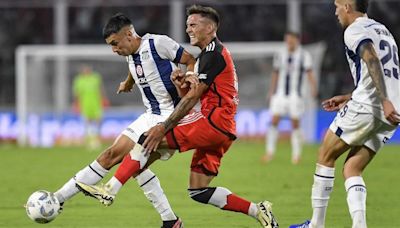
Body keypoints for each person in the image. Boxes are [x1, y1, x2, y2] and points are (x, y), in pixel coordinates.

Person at [77, 5, 279, 228]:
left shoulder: (213, 53)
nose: (188, 30)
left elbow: (192, 99)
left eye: (193, 25)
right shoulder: (208, 55)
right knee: (198, 190)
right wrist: (180, 82)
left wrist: (163, 126)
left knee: (147, 139)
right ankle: (258, 210)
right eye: (187, 25)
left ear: (210, 27)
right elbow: (194, 92)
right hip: (224, 129)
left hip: (211, 122)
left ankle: (109, 190)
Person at [54, 13, 196, 228]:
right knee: (117, 157)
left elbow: (189, 59)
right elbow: (137, 65)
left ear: (129, 35)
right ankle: (171, 221)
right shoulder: (130, 53)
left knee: (124, 159)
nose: (114, 50)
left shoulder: (158, 43)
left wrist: (189, 77)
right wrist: (129, 81)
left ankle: (59, 199)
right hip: (150, 114)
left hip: (171, 117)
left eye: (115, 44)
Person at [290, 0, 400, 227]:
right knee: (352, 168)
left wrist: (382, 100)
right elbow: (386, 73)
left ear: (348, 7)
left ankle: (316, 225)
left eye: (337, 6)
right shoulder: (382, 30)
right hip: (392, 111)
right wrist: (351, 96)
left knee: (325, 155)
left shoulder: (354, 29)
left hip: (373, 105)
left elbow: (371, 58)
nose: (336, 12)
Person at [262, 31, 317, 165]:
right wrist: (271, 91)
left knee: (295, 124)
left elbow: (310, 73)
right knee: (274, 121)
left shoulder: (304, 55)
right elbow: (275, 73)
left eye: (291, 40)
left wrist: (314, 89)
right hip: (280, 94)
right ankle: (269, 152)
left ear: (297, 40)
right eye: (287, 40)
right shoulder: (280, 54)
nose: (289, 42)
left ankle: (296, 155)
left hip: (295, 96)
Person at [72, 64, 108, 149]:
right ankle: (89, 140)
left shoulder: (95, 77)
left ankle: (97, 139)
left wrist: (104, 99)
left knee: (99, 121)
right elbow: (77, 93)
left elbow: (100, 89)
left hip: (96, 104)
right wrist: (76, 104)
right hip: (85, 104)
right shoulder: (79, 80)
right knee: (87, 122)